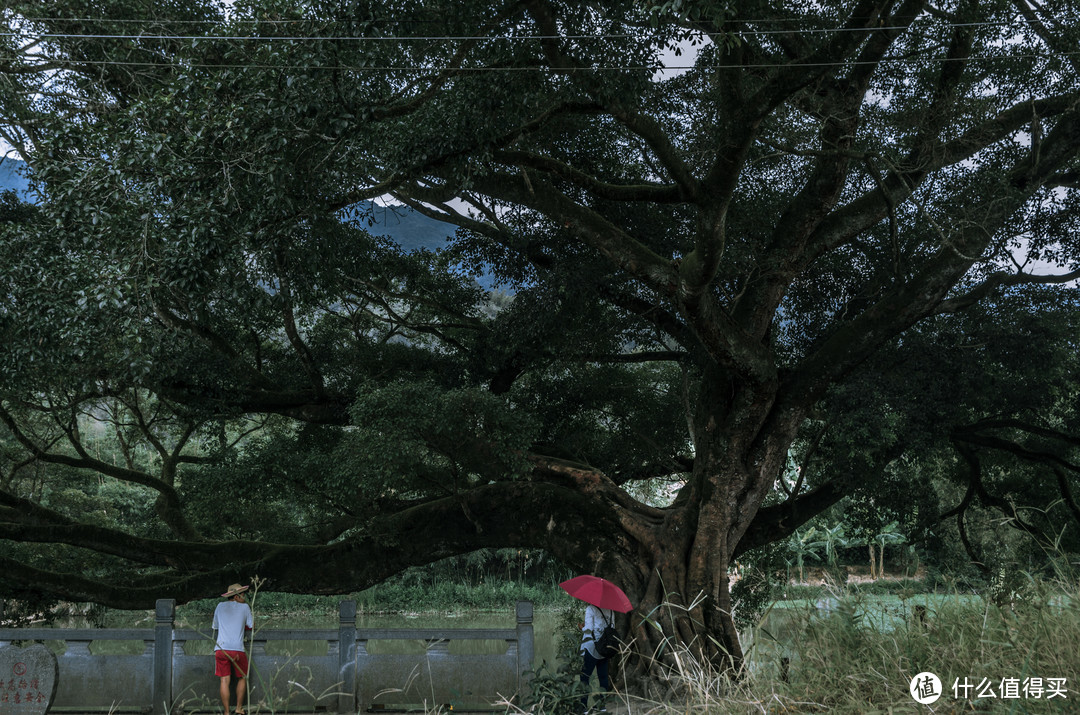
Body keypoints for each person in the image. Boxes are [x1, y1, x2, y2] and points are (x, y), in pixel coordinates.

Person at [213, 583, 253, 715]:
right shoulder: (245, 607)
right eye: (242, 594)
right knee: (242, 677)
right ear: (236, 596)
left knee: (224, 680)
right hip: (237, 650)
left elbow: (215, 626)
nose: (244, 597)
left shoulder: (219, 606)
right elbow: (251, 626)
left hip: (221, 649)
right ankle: (239, 708)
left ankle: (226, 712)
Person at [579, 602, 614, 714]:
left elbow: (588, 629)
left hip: (591, 647)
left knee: (585, 677)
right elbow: (612, 628)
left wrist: (581, 627)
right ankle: (602, 705)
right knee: (603, 677)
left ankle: (583, 706)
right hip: (604, 648)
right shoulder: (611, 610)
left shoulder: (590, 609)